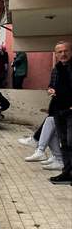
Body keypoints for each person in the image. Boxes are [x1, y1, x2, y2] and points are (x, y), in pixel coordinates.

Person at [48, 41, 72, 185]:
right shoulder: (56, 68)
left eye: (66, 51)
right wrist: (50, 89)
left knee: (71, 141)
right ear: (56, 54)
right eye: (59, 52)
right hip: (58, 109)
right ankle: (67, 172)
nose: (63, 54)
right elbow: (51, 84)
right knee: (64, 142)